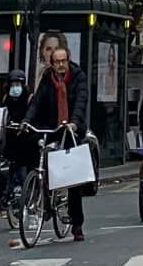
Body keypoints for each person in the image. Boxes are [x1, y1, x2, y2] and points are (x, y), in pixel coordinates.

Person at [22, 39, 92, 242]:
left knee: (72, 179)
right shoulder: (47, 80)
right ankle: (40, 190)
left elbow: (81, 101)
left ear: (69, 61)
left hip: (71, 128)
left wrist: (74, 123)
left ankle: (77, 224)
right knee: (36, 153)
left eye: (64, 61)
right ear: (51, 64)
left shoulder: (78, 78)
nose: (61, 65)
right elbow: (36, 103)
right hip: (51, 126)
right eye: (57, 62)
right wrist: (27, 120)